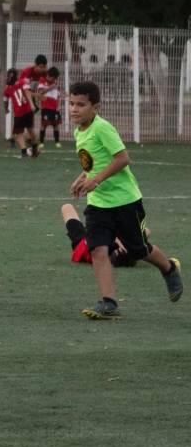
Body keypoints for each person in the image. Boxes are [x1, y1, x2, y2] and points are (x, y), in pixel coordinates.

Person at [68, 81, 182, 319]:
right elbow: (94, 161)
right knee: (98, 250)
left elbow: (122, 158)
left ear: (95, 107)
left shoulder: (102, 128)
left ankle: (169, 268)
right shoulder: (80, 130)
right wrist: (82, 178)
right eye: (71, 104)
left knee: (137, 249)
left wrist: (95, 180)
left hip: (125, 201)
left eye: (81, 104)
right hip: (99, 204)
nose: (74, 109)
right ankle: (109, 303)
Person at [61, 203, 145, 267]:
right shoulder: (116, 249)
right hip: (87, 243)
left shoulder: (106, 246)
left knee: (67, 207)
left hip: (82, 243)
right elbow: (146, 232)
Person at [4, 68, 39, 158]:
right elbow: (28, 91)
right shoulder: (23, 82)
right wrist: (32, 104)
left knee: (18, 133)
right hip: (28, 110)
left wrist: (6, 109)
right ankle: (35, 147)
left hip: (19, 113)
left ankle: (24, 152)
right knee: (30, 129)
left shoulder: (8, 88)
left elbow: (5, 100)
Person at [38, 66, 62, 149]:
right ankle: (41, 142)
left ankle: (57, 142)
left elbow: (58, 96)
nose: (54, 80)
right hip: (46, 107)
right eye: (54, 78)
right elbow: (40, 92)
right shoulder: (42, 80)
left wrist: (58, 105)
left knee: (56, 125)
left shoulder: (55, 83)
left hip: (55, 108)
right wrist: (49, 88)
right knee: (44, 125)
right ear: (49, 76)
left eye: (55, 79)